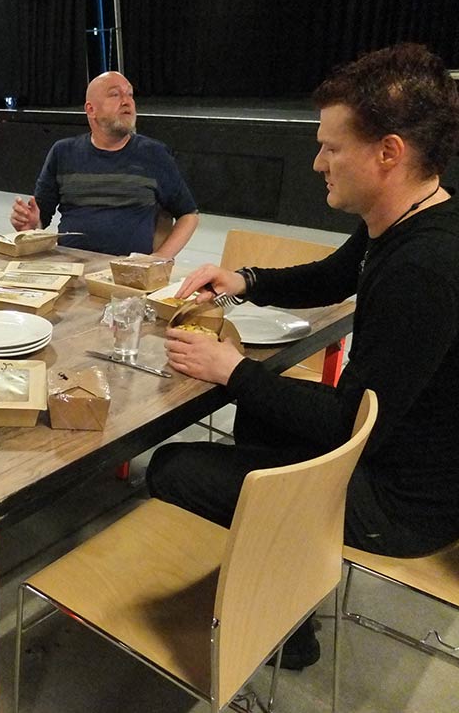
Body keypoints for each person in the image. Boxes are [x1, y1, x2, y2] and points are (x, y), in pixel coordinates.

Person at [146, 43, 459, 669]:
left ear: (389, 152)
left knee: (173, 467)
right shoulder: (408, 216)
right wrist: (245, 281)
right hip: (397, 451)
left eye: (331, 148)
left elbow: (350, 425)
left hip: (403, 503)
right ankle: (289, 616)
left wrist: (231, 370)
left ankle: (271, 614)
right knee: (263, 413)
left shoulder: (424, 269)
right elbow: (335, 275)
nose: (317, 162)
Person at [10, 70, 199, 258]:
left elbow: (189, 215)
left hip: (128, 270)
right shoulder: (63, 152)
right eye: (115, 94)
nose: (127, 101)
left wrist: (160, 257)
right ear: (91, 109)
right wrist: (30, 225)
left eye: (130, 94)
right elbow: (40, 218)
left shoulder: (154, 154)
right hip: (71, 265)